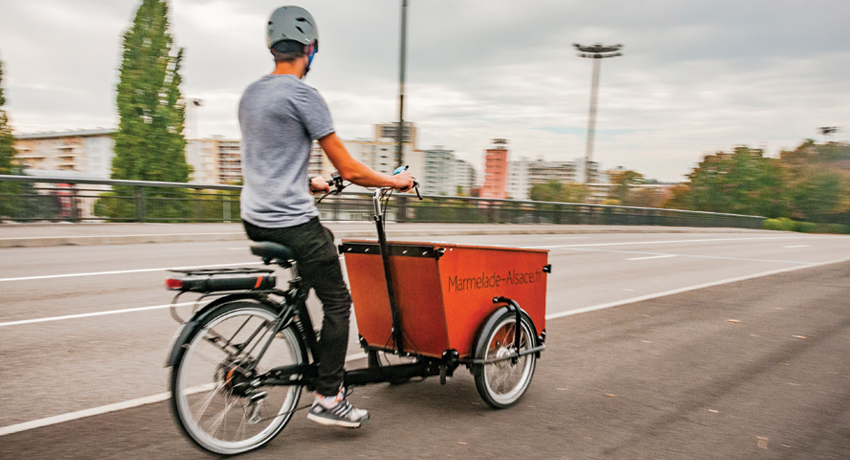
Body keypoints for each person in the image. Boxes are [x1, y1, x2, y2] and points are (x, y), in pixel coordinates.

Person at [238, 5, 414, 429]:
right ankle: (330, 396)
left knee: (309, 287)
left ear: (271, 47)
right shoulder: (303, 95)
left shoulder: (251, 94)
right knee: (338, 302)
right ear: (310, 49)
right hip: (291, 221)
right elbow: (350, 170)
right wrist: (396, 182)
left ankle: (315, 363)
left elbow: (268, 160)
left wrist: (307, 182)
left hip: (255, 217)